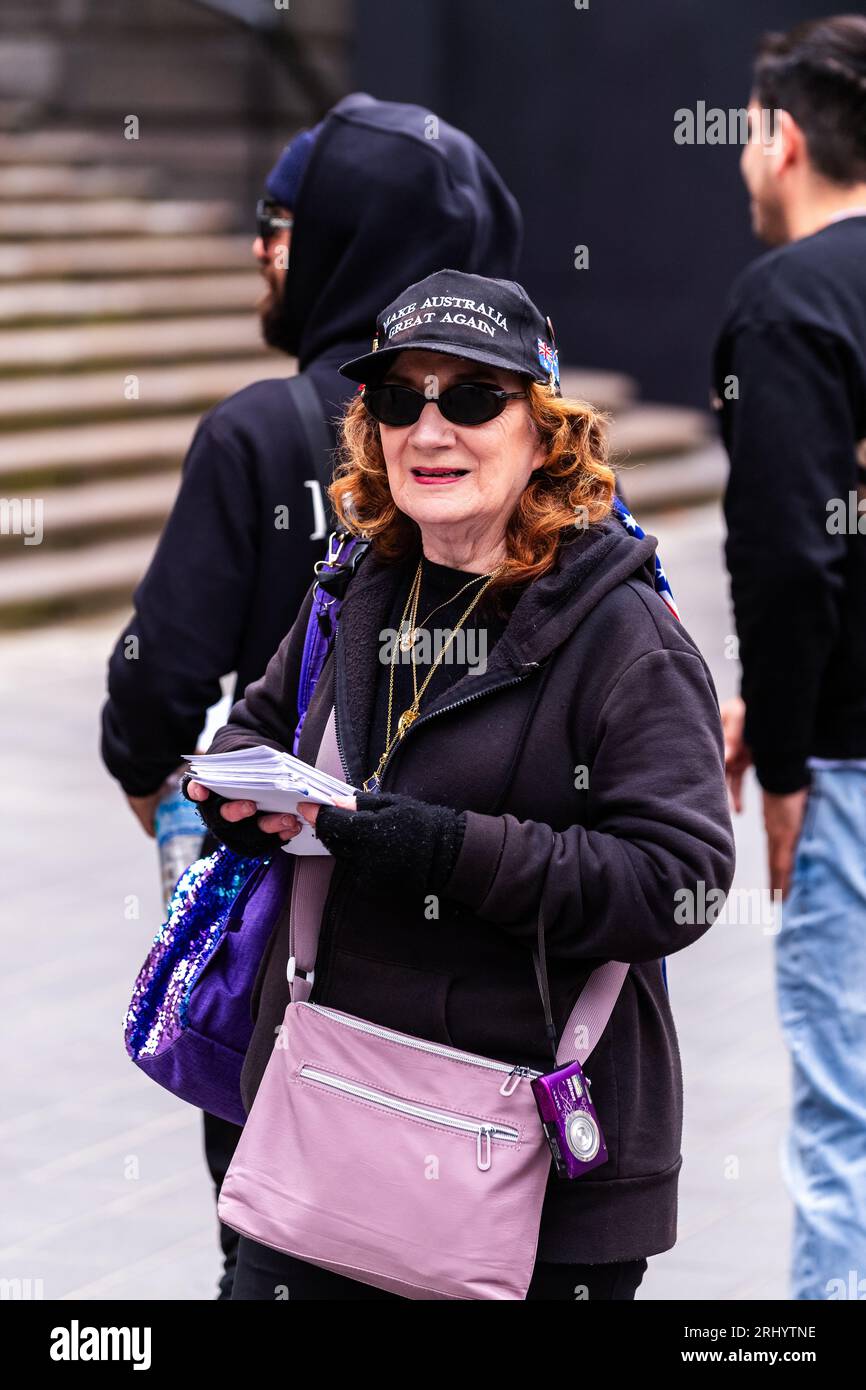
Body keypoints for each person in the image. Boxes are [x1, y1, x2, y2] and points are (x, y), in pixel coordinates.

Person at [185, 268, 736, 1301]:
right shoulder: (353, 588)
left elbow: (680, 877)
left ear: (544, 431)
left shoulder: (621, 632)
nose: (428, 429)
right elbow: (257, 729)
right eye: (400, 398)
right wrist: (238, 803)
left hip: (535, 1179)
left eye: (471, 396)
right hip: (329, 1123)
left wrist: (445, 849)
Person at [100, 95, 523, 1298]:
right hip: (459, 878)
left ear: (341, 232)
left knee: (274, 1192)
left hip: (289, 869)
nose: (259, 246)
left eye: (280, 219)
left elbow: (160, 674)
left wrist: (150, 777)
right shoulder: (519, 443)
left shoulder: (258, 429)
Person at [713, 16, 866, 1300]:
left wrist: (783, 756)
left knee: (848, 1121)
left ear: (785, 139)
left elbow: (786, 555)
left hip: (852, 767)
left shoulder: (790, 303)